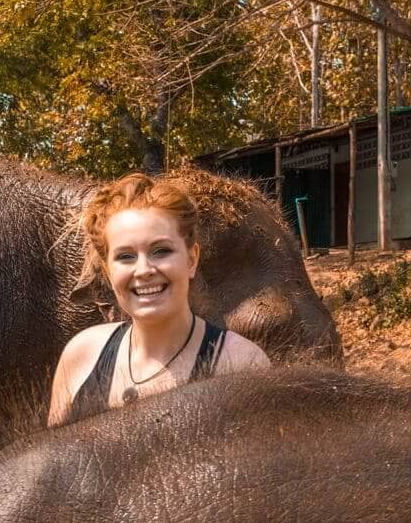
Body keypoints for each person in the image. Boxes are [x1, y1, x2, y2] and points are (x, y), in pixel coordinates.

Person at [48, 173, 270, 427]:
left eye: (161, 251)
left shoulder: (242, 364)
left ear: (191, 259)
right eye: (125, 256)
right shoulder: (81, 356)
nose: (143, 270)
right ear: (108, 272)